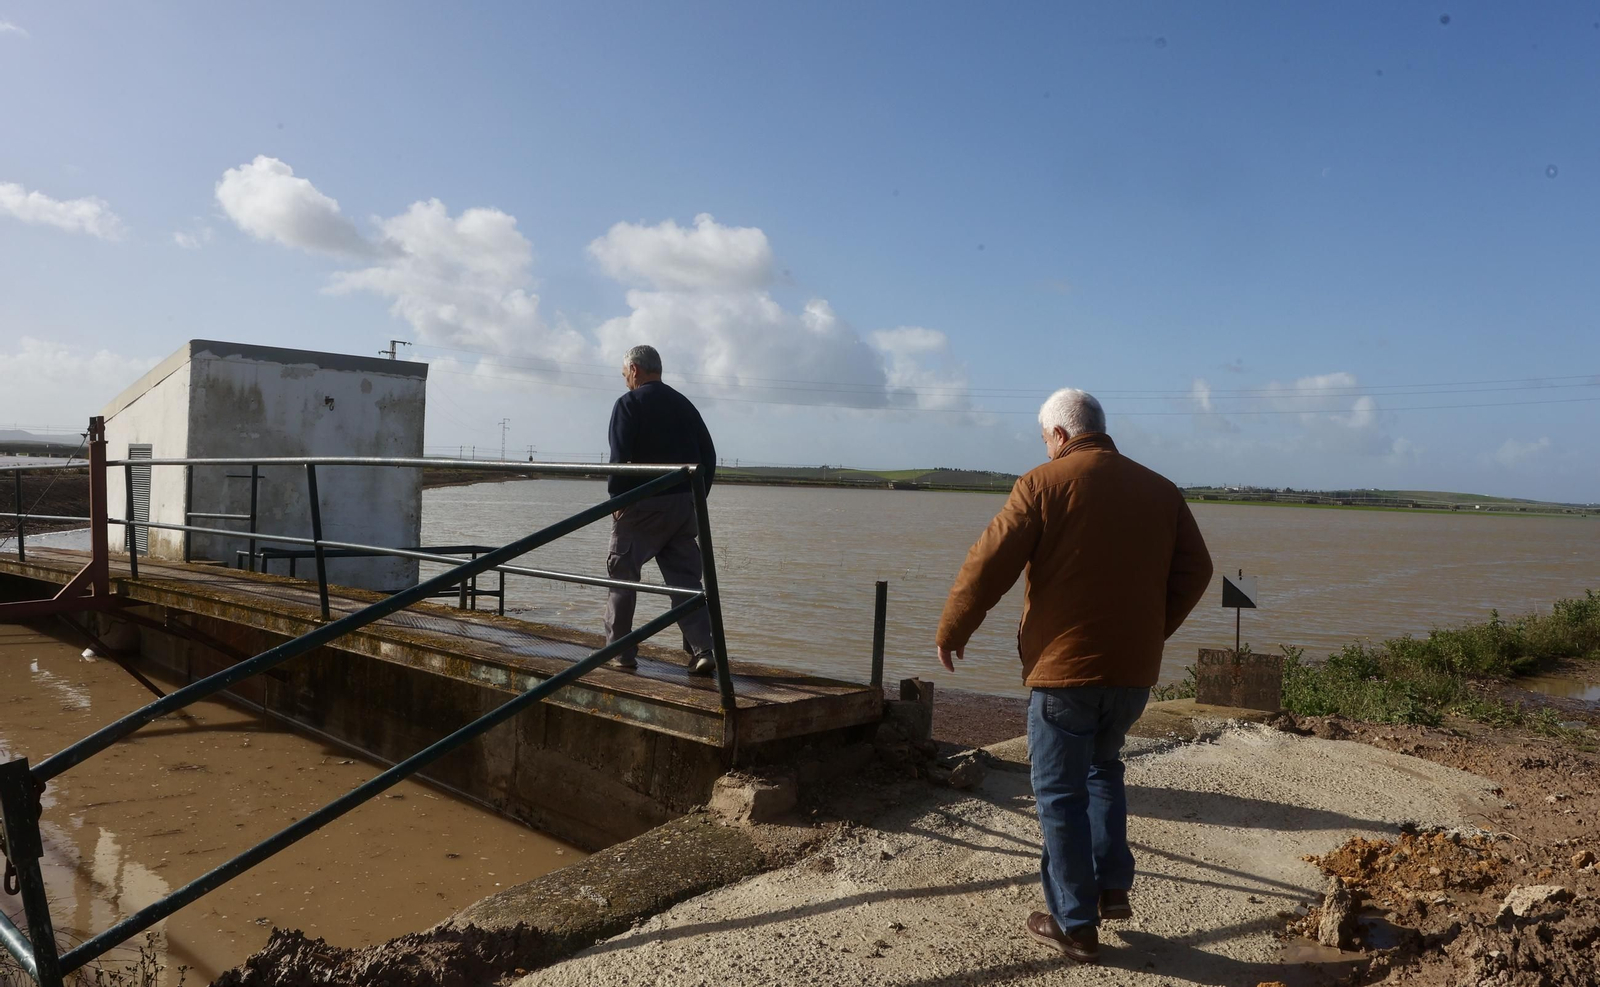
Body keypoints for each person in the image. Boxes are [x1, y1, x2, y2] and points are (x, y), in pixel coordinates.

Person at [934, 388, 1213, 965]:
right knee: (1104, 770)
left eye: (1044, 439)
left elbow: (988, 563)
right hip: (1132, 674)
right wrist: (1152, 632)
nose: (1046, 447)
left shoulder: (1042, 483)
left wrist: (952, 629)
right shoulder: (1161, 490)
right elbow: (1198, 570)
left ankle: (1074, 923)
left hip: (1064, 675)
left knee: (1058, 793)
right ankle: (1111, 889)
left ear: (1059, 434)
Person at [604, 344, 720, 676]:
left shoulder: (628, 403)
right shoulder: (684, 404)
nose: (624, 378)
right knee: (685, 579)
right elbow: (708, 457)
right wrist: (697, 497)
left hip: (642, 503)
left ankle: (621, 653)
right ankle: (703, 650)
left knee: (622, 574)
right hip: (684, 504)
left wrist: (617, 501)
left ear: (635, 370)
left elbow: (619, 459)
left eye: (624, 372)